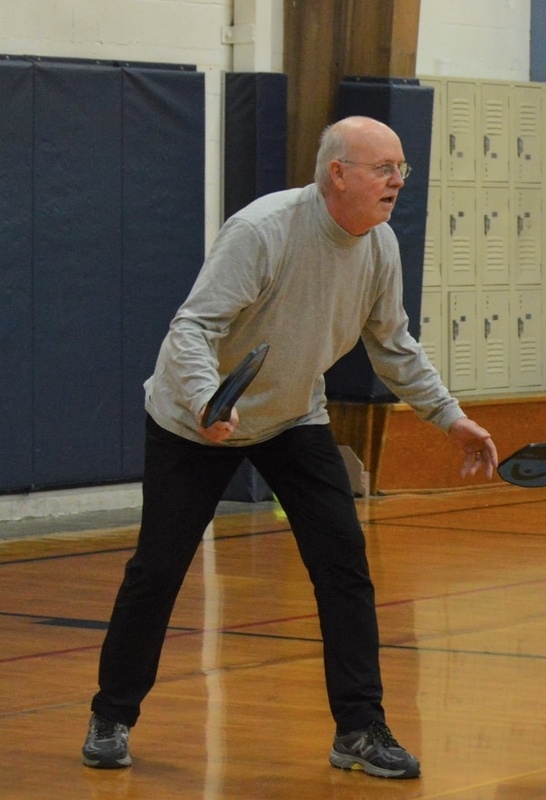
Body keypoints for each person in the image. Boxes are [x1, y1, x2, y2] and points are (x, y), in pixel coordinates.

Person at [81, 116, 498, 779]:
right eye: (383, 168)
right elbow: (193, 328)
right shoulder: (262, 232)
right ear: (339, 173)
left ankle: (359, 729)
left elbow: (392, 344)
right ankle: (112, 714)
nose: (397, 182)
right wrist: (200, 401)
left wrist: (449, 418)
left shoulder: (379, 245)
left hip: (293, 416)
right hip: (195, 419)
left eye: (401, 170)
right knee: (157, 571)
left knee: (344, 564)